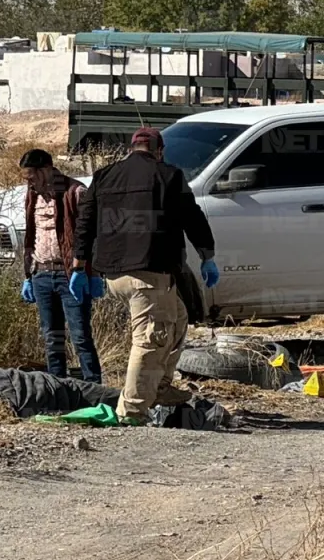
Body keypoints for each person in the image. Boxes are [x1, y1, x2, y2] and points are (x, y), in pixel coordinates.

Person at [72, 127, 219, 426]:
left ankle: (159, 388)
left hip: (114, 275)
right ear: (159, 150)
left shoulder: (104, 176)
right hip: (148, 275)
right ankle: (133, 411)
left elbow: (85, 222)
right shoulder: (168, 175)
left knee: (177, 318)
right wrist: (207, 255)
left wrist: (79, 267)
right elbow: (191, 216)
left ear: (131, 149)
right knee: (150, 339)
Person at [18, 148, 102, 384]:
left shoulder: (75, 192)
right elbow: (30, 235)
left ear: (46, 170)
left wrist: (91, 273)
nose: (30, 182)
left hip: (71, 277)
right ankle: (58, 388)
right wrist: (28, 274)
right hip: (41, 274)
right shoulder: (31, 195)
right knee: (51, 338)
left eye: (32, 177)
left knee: (80, 336)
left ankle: (94, 390)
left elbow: (90, 235)